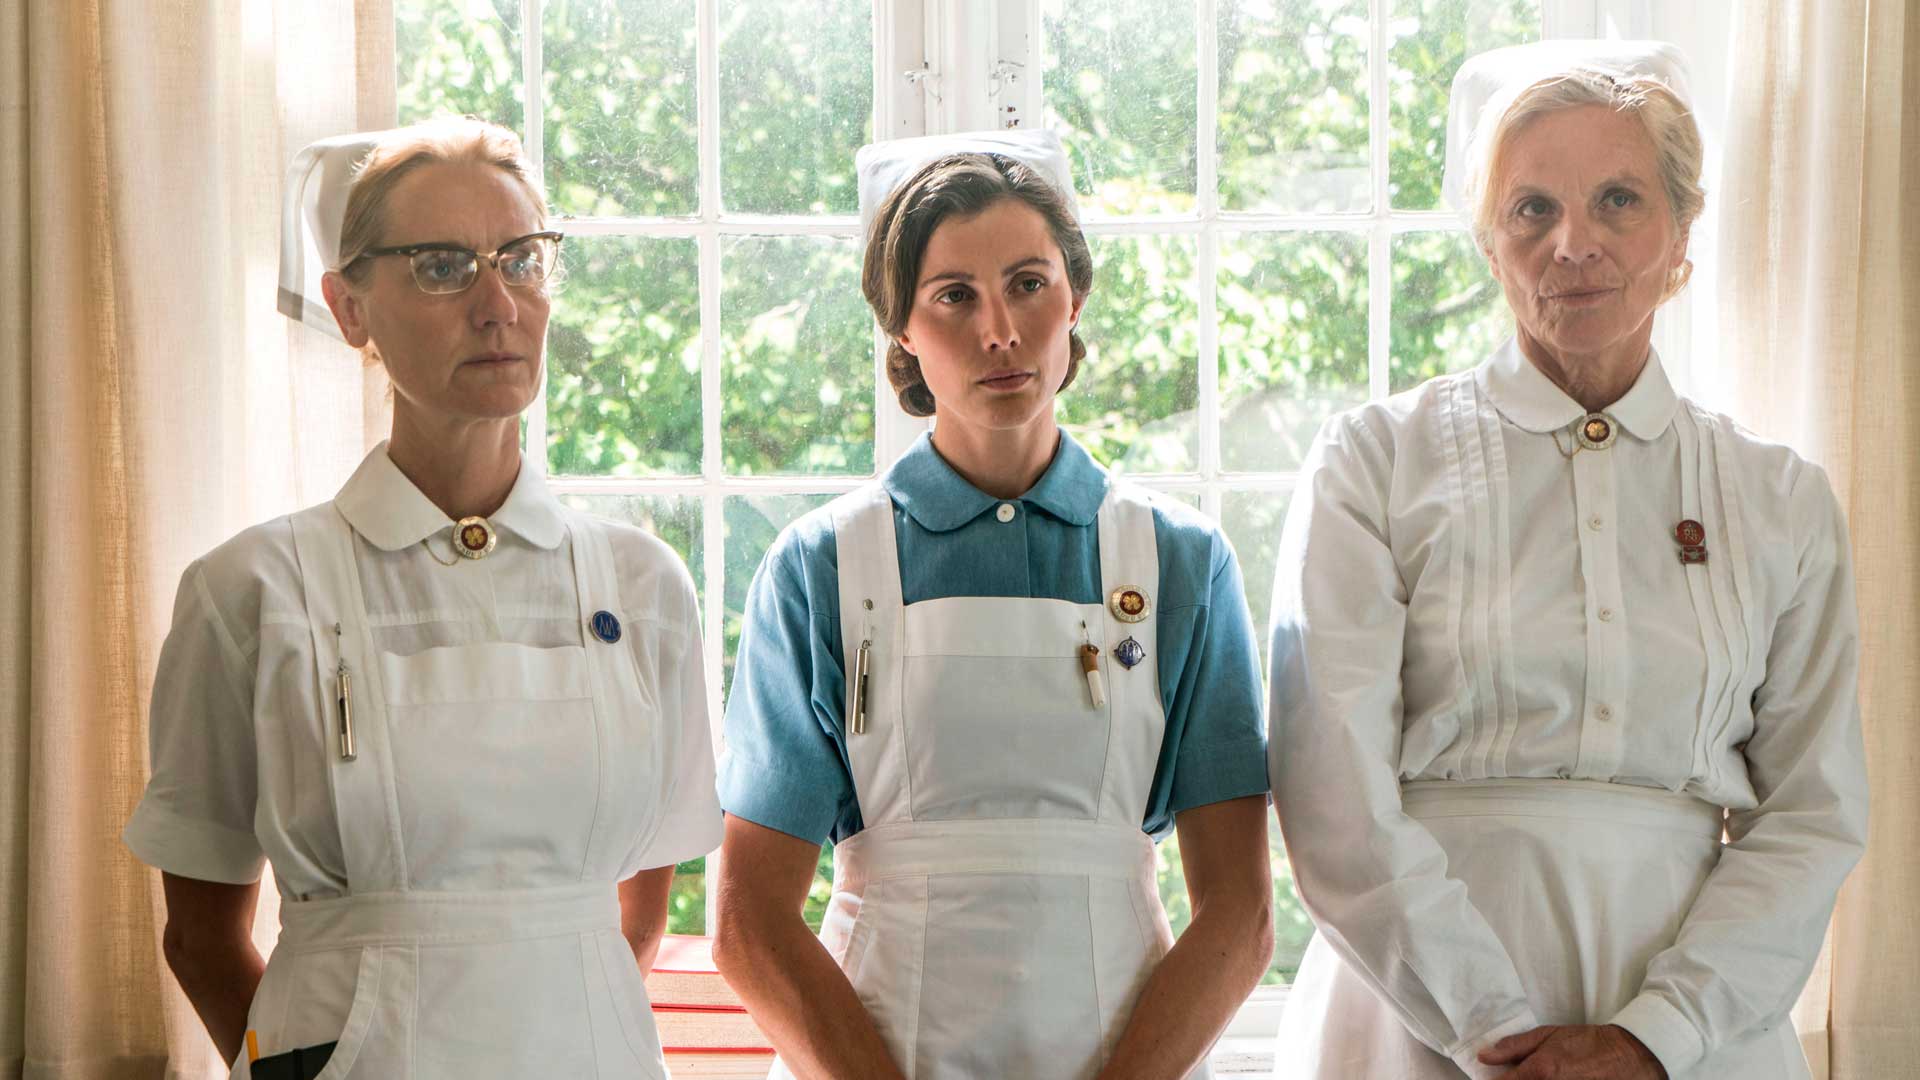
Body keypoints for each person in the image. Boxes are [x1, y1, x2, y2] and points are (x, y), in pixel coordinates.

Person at [1268, 40, 1868, 1080]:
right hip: (1414, 1020)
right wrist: (1493, 1031)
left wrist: (1656, 1037)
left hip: (1699, 1036)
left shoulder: (1781, 500)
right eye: (1532, 209)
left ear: (1683, 233)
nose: (1572, 244)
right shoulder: (1373, 461)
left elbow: (1813, 814)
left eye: (1619, 200)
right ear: (1488, 244)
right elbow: (1330, 791)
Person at [123, 117, 722, 1079]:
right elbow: (198, 936)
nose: (498, 305)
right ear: (349, 308)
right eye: (443, 267)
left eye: (521, 260)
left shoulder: (643, 588)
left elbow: (637, 912)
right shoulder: (250, 594)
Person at [711, 130, 1275, 1080]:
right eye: (953, 297)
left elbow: (1242, 915)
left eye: (1028, 283)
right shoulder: (821, 567)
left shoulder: (1180, 562)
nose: (1000, 331)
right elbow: (750, 923)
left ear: (1075, 298)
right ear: (900, 330)